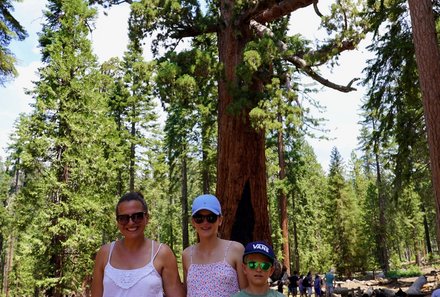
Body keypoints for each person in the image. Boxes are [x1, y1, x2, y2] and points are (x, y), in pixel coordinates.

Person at [91, 191, 185, 297]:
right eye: (123, 218)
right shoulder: (105, 253)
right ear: (117, 222)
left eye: (137, 216)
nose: (131, 222)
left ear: (147, 218)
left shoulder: (162, 253)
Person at [182, 194, 247, 297]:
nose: (205, 223)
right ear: (193, 222)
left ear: (220, 220)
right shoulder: (187, 254)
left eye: (211, 217)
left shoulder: (236, 249)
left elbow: (246, 293)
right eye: (199, 218)